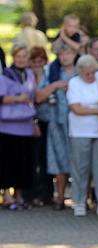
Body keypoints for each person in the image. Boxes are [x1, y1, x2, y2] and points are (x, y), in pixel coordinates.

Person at [67, 54, 98, 217]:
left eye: (93, 72)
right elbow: (76, 108)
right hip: (80, 131)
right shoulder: (74, 83)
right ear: (80, 72)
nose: (91, 75)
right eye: (87, 73)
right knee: (80, 167)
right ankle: (79, 201)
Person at [0, 45, 37, 210]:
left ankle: (19, 195)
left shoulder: (29, 74)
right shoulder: (6, 75)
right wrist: (17, 99)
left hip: (26, 126)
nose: (21, 59)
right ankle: (7, 195)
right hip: (8, 127)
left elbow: (33, 96)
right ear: (13, 57)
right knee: (8, 162)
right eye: (18, 56)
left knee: (23, 163)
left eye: (24, 56)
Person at [43, 41, 76, 210]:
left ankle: (81, 198)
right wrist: (54, 85)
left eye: (68, 53)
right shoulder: (52, 72)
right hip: (57, 122)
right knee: (58, 160)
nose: (65, 57)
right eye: (62, 54)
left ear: (74, 55)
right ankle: (60, 197)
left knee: (79, 161)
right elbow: (39, 96)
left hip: (77, 124)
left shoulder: (80, 72)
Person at [29, 46, 55, 207]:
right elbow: (36, 98)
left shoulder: (49, 74)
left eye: (41, 61)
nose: (37, 64)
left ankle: (47, 194)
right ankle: (32, 194)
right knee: (33, 159)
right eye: (34, 61)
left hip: (47, 120)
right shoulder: (26, 76)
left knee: (46, 159)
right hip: (29, 121)